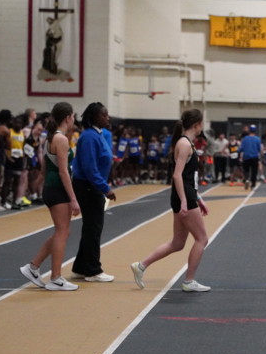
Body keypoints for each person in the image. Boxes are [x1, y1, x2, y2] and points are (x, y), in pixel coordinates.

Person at [131, 109, 211, 293]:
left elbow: (190, 177)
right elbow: (177, 175)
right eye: (202, 123)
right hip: (184, 197)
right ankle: (189, 281)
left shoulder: (186, 143)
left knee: (178, 243)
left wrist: (199, 198)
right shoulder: (184, 144)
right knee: (202, 239)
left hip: (187, 195)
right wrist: (184, 201)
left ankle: (141, 265)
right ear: (196, 124)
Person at [19, 102, 82, 291]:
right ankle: (55, 277)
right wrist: (73, 198)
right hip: (57, 189)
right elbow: (63, 171)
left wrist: (41, 185)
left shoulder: (50, 137)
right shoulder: (61, 139)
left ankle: (33, 267)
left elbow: (45, 167)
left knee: (61, 232)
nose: (74, 120)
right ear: (68, 117)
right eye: (73, 117)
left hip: (51, 187)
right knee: (62, 232)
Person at [70, 102, 117, 282]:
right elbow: (90, 167)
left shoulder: (98, 134)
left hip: (92, 185)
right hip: (88, 186)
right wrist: (105, 188)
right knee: (93, 228)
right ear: (94, 117)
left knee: (91, 227)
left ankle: (81, 267)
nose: (107, 118)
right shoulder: (90, 136)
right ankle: (92, 270)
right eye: (104, 115)